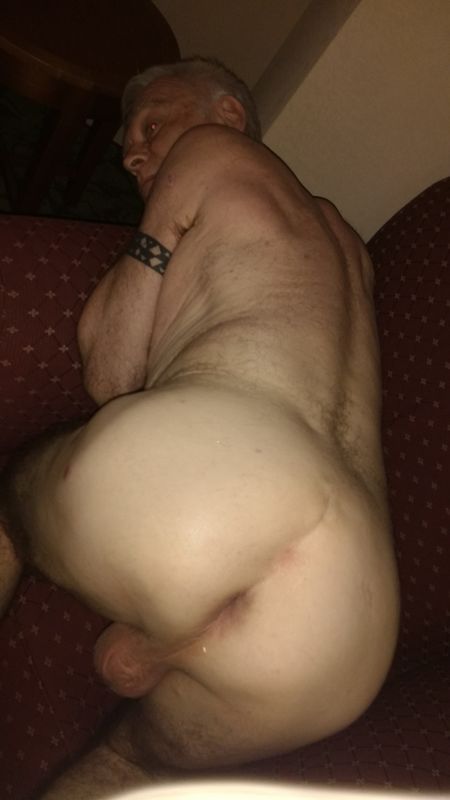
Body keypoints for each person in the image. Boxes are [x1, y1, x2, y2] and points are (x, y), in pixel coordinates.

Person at [0, 56, 399, 798]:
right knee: (128, 767)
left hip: (212, 483)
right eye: (129, 148)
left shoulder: (208, 153)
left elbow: (110, 373)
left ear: (228, 116)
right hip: (348, 628)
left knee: (12, 495)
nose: (135, 154)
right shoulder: (347, 241)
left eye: (152, 124)